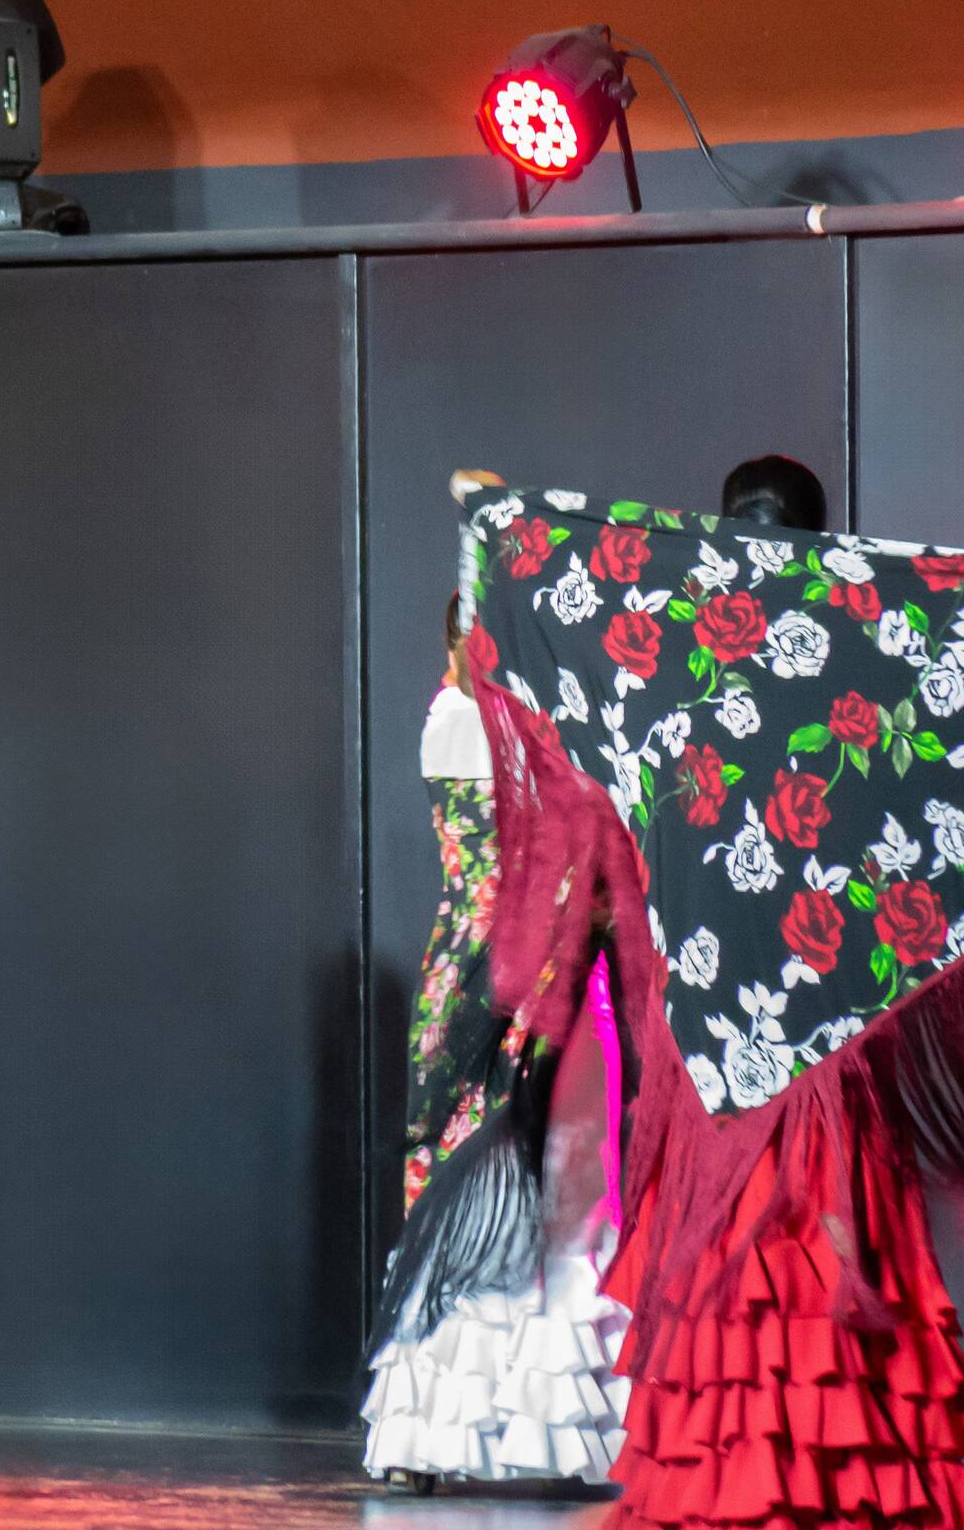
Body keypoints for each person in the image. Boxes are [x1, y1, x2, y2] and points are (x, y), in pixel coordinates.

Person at [362, 484, 629, 1494]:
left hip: (513, 976)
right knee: (490, 1186)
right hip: (511, 979)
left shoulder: (500, 729)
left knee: (554, 1188)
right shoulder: (474, 727)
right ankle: (455, 1435)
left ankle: (487, 1438)